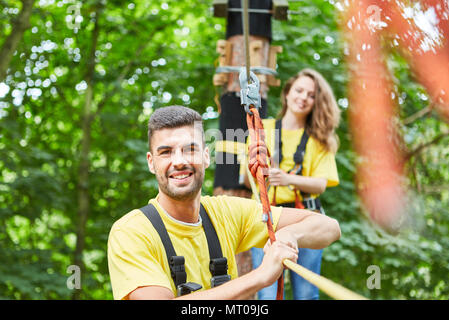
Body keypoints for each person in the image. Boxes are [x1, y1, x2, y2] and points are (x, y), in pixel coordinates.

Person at [107, 105, 340, 300]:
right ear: (151, 163)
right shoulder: (131, 232)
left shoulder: (227, 213)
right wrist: (260, 276)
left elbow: (329, 227)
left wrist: (290, 235)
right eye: (166, 152)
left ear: (206, 156)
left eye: (190, 149)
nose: (178, 161)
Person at [244, 68, 341, 300]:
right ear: (287, 93)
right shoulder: (262, 129)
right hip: (268, 216)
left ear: (316, 102)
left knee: (306, 293)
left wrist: (288, 179)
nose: (303, 98)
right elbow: (250, 175)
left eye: (311, 95)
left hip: (304, 216)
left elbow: (320, 184)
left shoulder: (319, 139)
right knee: (267, 293)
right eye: (299, 90)